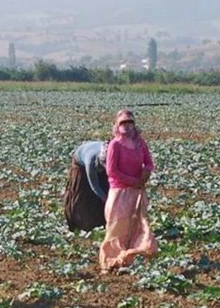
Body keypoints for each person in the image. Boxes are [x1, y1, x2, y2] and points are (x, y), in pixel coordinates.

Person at [99, 109, 156, 273]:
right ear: (117, 125)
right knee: (117, 227)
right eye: (123, 123)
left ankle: (130, 259)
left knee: (137, 225)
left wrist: (145, 175)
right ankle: (110, 261)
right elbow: (111, 171)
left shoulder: (140, 143)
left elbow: (149, 163)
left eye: (130, 123)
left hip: (137, 192)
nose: (127, 127)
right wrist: (133, 182)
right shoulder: (115, 144)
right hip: (120, 192)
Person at [64, 139, 109, 232]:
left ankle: (102, 221)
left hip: (97, 155)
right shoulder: (90, 161)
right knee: (83, 195)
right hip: (80, 163)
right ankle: (79, 223)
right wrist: (106, 200)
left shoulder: (110, 157)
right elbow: (94, 186)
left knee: (105, 187)